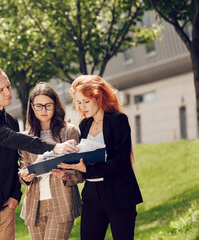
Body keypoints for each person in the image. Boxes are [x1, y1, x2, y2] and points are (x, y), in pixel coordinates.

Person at [0, 65, 78, 240]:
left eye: (8, 86)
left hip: (5, 210)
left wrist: (15, 195)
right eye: (1, 89)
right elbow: (12, 139)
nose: (8, 92)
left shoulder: (11, 121)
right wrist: (54, 147)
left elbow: (13, 162)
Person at [58, 75, 143, 240]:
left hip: (119, 194)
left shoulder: (118, 120)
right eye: (79, 102)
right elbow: (83, 161)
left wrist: (87, 168)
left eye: (86, 101)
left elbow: (120, 163)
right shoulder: (84, 125)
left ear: (99, 96)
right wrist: (69, 167)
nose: (82, 107)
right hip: (92, 196)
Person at [18, 82, 83, 240]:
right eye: (39, 106)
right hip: (34, 206)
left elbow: (80, 170)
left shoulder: (69, 131)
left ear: (56, 105)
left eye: (48, 105)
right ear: (32, 107)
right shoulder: (26, 138)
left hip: (61, 203)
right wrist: (24, 177)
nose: (44, 110)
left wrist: (65, 175)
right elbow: (21, 171)